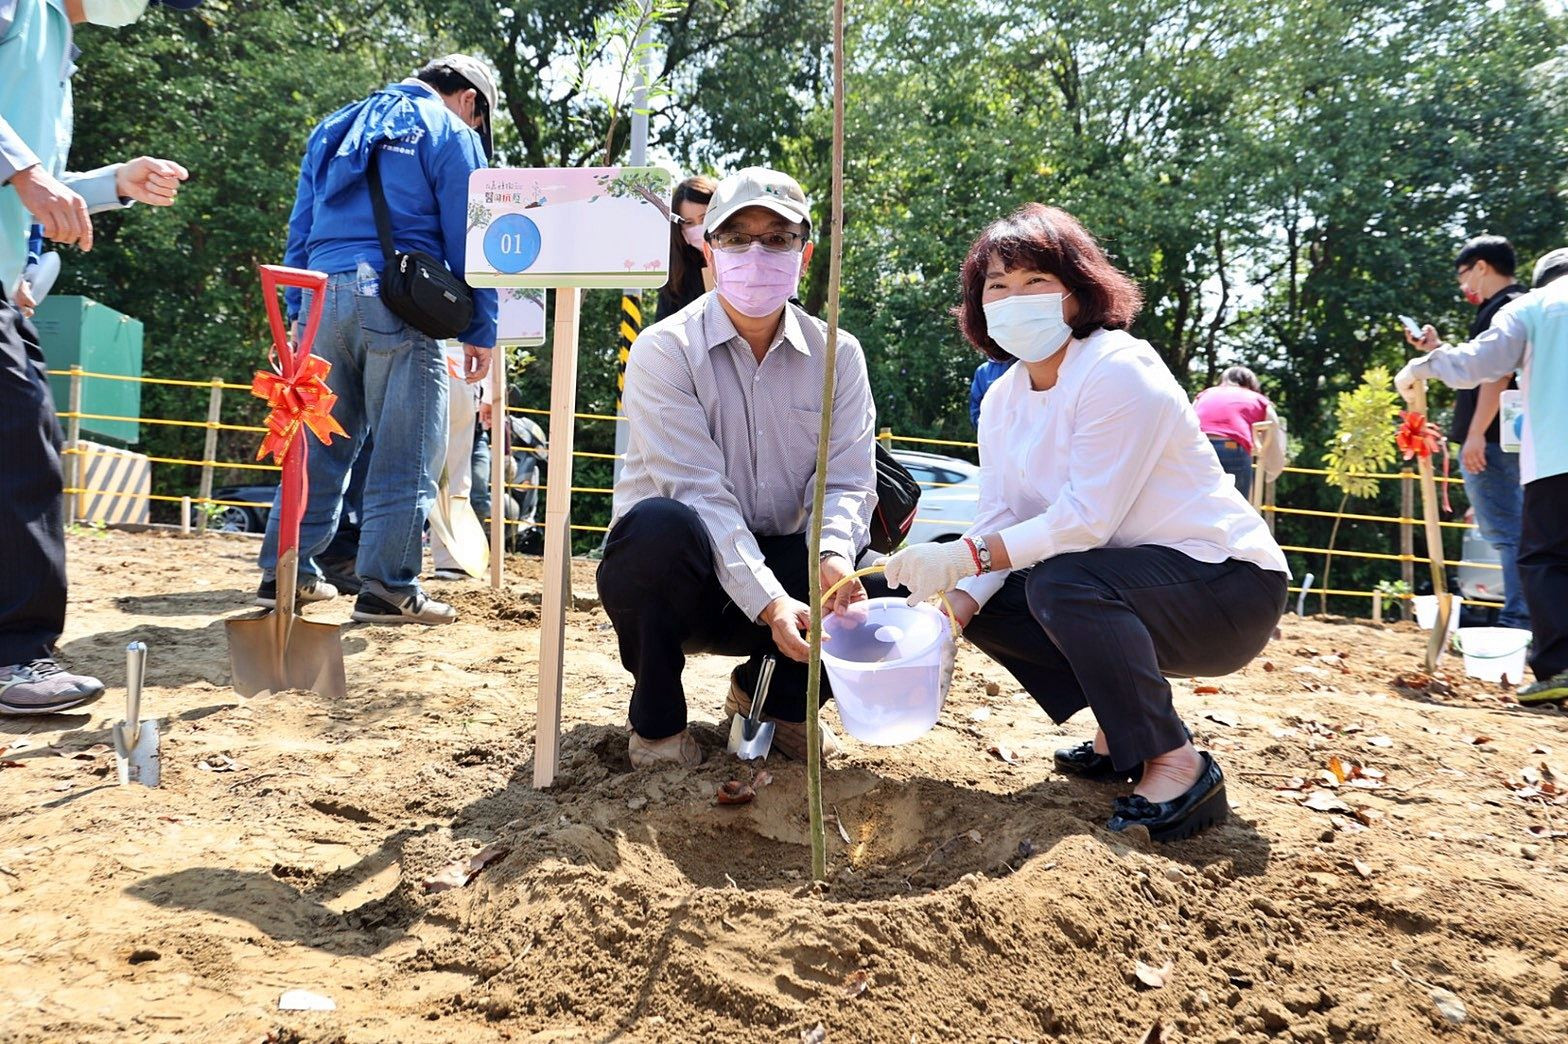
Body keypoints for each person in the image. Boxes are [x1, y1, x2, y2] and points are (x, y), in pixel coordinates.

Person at [883, 204, 1288, 841]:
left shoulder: (1118, 368)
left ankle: (1177, 764)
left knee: (1061, 582)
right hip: (1131, 584)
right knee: (998, 595)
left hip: (1225, 586)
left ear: (1078, 290)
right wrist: (951, 613)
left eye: (1035, 281)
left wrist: (963, 558)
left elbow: (1085, 522)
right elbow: (1002, 514)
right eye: (997, 286)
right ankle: (1121, 729)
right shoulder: (1003, 398)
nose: (1015, 299)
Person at [598, 166, 879, 769]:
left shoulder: (838, 355)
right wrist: (770, 603)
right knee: (655, 529)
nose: (756, 255)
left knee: (879, 581)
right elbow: (697, 491)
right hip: (688, 583)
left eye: (777, 239)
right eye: (735, 238)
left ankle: (774, 703)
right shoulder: (664, 350)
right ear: (709, 251)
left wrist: (832, 557)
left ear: (804, 255)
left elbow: (847, 480)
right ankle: (657, 723)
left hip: (785, 565)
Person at [1, 0, 195, 715]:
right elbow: (27, 177)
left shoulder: (59, 47)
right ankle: (13, 655)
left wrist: (114, 183)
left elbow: (38, 188)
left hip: (7, 287)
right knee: (22, 450)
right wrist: (27, 172)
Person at [261, 55, 500, 625]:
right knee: (408, 446)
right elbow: (470, 238)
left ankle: (285, 574)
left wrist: (296, 314)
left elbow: (301, 228)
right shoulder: (449, 133)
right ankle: (389, 587)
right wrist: (480, 327)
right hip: (398, 299)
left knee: (316, 444)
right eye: (478, 119)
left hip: (321, 296)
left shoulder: (334, 125)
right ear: (469, 99)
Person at [1397, 250, 1568, 705]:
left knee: (1546, 556)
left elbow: (1483, 365)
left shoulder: (1531, 306)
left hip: (1557, 454)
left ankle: (1559, 667)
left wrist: (1421, 367)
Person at [1445, 235, 1529, 629]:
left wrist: (1476, 433)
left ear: (1481, 266)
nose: (1465, 286)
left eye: (1464, 275)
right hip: (1517, 438)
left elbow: (1497, 373)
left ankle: (1519, 619)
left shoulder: (1504, 310)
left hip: (1494, 440)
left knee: (1509, 534)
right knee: (1521, 531)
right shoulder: (1521, 307)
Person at [430, 343, 493, 580]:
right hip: (458, 371)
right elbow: (491, 337)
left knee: (402, 468)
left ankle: (390, 561)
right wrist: (490, 393)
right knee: (454, 473)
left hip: (401, 364)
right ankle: (450, 559)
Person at [1192, 365, 1287, 500]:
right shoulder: (1259, 400)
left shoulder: (1204, 395)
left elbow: (1188, 423)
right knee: (1234, 505)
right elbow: (1272, 433)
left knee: (1197, 502)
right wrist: (1273, 470)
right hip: (1232, 448)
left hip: (1197, 447)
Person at [655, 174, 717, 321]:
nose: (699, 227)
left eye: (704, 218)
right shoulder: (676, 275)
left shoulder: (745, 260)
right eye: (689, 223)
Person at [968, 357, 1013, 428]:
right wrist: (983, 427)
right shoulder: (982, 371)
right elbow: (975, 406)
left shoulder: (1023, 364)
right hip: (993, 431)